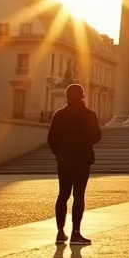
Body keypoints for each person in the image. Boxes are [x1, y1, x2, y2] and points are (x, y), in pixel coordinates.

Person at [47, 83, 102, 245]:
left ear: (67, 96)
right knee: (78, 195)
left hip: (64, 160)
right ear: (82, 95)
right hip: (82, 159)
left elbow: (51, 139)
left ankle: (60, 232)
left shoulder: (59, 115)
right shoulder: (89, 114)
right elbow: (97, 136)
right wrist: (84, 144)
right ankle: (76, 233)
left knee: (62, 195)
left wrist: (59, 153)